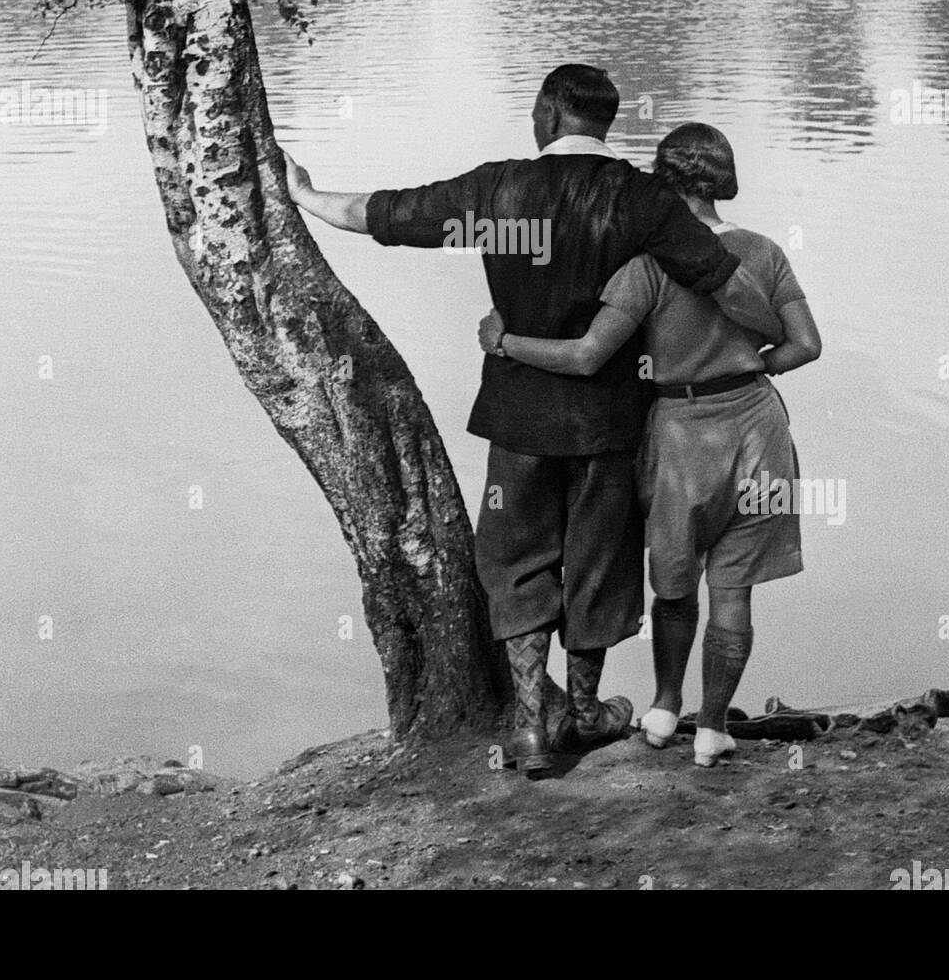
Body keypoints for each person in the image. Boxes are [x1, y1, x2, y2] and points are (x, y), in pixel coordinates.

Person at [281, 67, 785, 777]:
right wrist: (767, 348)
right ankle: (581, 712)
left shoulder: (499, 193)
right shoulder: (642, 200)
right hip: (610, 420)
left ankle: (526, 725)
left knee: (517, 559)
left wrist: (303, 195)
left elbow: (388, 215)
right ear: (606, 122)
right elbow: (724, 282)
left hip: (519, 416)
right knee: (599, 560)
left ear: (549, 114)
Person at [479, 124, 820, 768]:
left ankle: (664, 711)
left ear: (660, 185)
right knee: (735, 587)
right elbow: (806, 345)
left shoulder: (646, 266)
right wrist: (748, 365)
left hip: (679, 435)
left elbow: (586, 356)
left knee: (674, 586)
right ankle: (713, 728)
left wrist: (504, 343)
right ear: (722, 180)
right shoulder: (765, 252)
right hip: (758, 427)